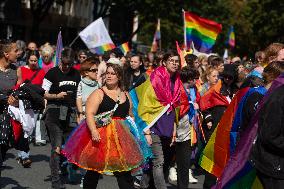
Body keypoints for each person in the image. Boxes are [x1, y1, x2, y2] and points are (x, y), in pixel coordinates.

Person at [62, 63, 143, 189]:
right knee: (94, 170)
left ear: (120, 77)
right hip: (101, 136)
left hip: (121, 138)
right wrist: (94, 131)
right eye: (107, 73)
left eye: (112, 73)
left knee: (123, 172)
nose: (109, 76)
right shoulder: (98, 93)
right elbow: (89, 113)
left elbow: (130, 114)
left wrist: (133, 130)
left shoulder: (126, 94)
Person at [42, 47, 81, 189]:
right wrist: (56, 96)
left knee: (69, 146)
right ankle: (55, 180)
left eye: (69, 64)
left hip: (70, 114)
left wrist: (79, 113)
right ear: (60, 60)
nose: (66, 67)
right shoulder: (52, 73)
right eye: (64, 63)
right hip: (53, 113)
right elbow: (44, 93)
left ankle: (64, 168)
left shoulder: (77, 74)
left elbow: (79, 95)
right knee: (57, 147)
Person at [15, 49, 45, 167]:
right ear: (27, 59)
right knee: (23, 128)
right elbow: (17, 85)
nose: (33, 62)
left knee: (30, 129)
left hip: (35, 104)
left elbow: (43, 89)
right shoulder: (21, 70)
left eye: (35, 60)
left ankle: (22, 152)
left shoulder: (41, 72)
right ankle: (24, 155)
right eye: (31, 60)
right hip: (22, 103)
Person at [0, 40, 21, 175]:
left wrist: (18, 98)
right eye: (15, 51)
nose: (18, 53)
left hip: (7, 114)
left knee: (4, 145)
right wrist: (4, 97)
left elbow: (19, 89)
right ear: (6, 54)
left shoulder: (16, 70)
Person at [76, 57, 100, 123]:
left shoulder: (98, 84)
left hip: (97, 117)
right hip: (84, 117)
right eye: (94, 70)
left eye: (97, 70)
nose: (97, 72)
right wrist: (80, 114)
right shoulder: (80, 84)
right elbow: (78, 98)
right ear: (86, 72)